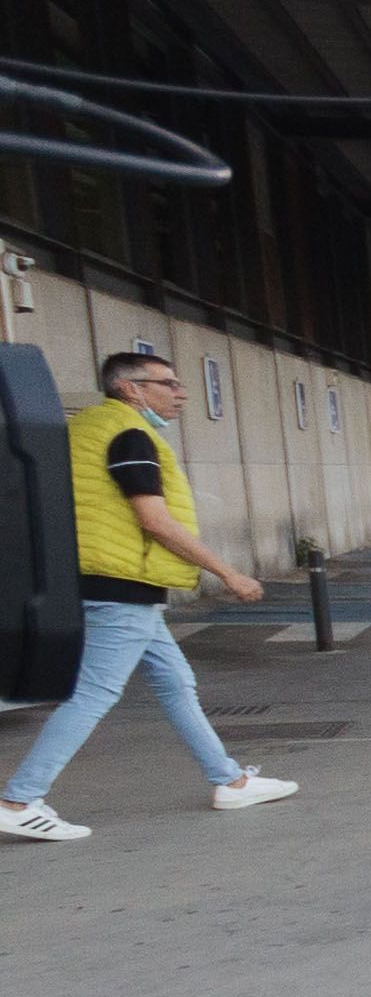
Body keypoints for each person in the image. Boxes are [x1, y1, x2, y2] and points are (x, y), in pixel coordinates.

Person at [0, 346, 297, 842]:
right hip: (123, 588)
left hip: (106, 582)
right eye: (168, 384)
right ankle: (19, 798)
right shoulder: (130, 435)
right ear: (131, 388)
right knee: (93, 694)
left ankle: (231, 780)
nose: (180, 394)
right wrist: (228, 573)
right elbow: (155, 520)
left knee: (176, 682)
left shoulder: (85, 429)